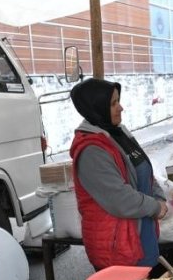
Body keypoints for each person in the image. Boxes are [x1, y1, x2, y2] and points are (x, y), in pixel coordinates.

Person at [69, 78, 167, 270]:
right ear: (96, 107)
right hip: (117, 247)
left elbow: (145, 171)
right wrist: (155, 206)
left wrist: (159, 197)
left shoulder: (119, 133)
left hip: (141, 234)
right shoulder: (91, 150)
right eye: (113, 103)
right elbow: (118, 199)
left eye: (118, 101)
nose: (120, 107)